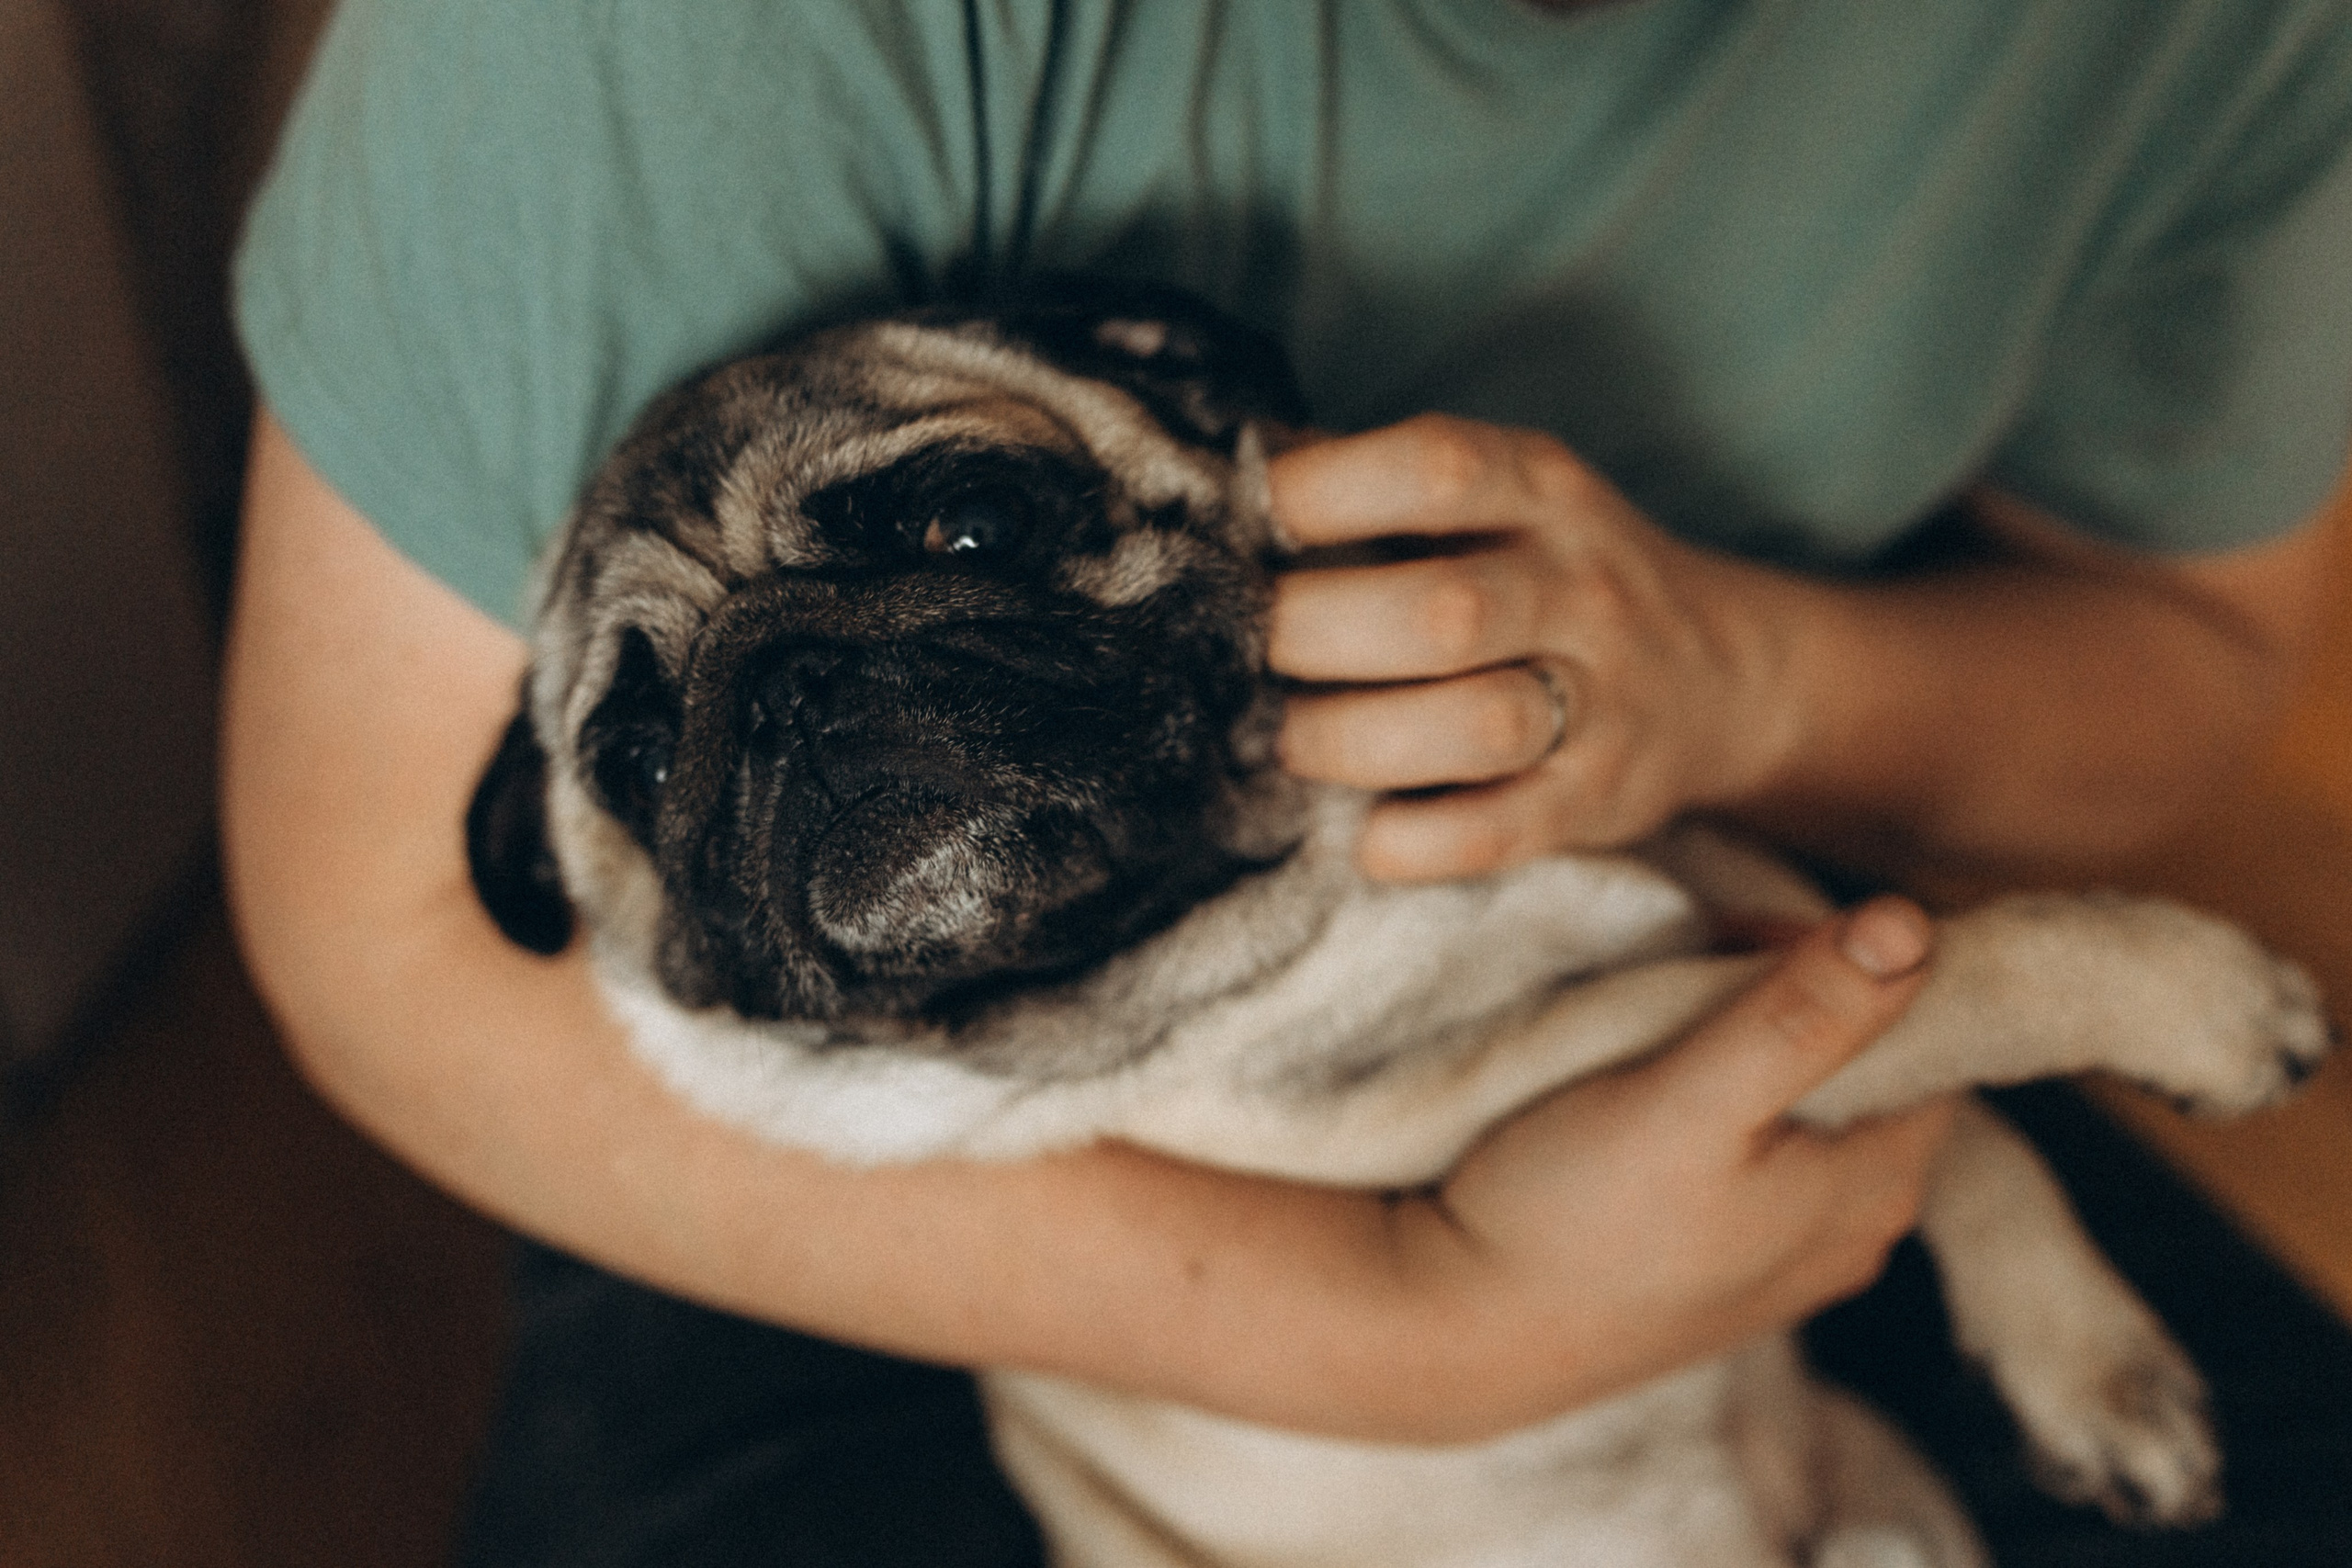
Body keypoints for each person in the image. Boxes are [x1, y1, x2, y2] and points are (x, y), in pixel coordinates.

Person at [221, 2, 2352, 1562]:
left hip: (1694, 924)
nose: (800, 720)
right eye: (652, 737)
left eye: (952, 530)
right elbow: (376, 937)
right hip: (793, 1198)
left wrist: (1749, 673)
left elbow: (2181, 663)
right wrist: (1413, 1320)